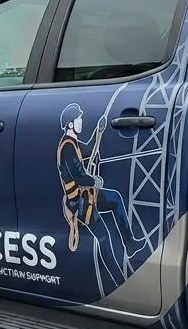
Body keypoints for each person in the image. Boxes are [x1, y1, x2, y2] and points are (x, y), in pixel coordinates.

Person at [56, 103, 146, 291]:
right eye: (78, 119)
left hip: (86, 196)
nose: (81, 121)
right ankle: (118, 282)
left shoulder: (73, 143)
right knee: (104, 237)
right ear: (71, 124)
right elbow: (79, 175)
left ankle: (130, 244)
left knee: (115, 200)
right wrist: (95, 181)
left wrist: (98, 132)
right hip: (78, 204)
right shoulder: (67, 148)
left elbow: (89, 150)